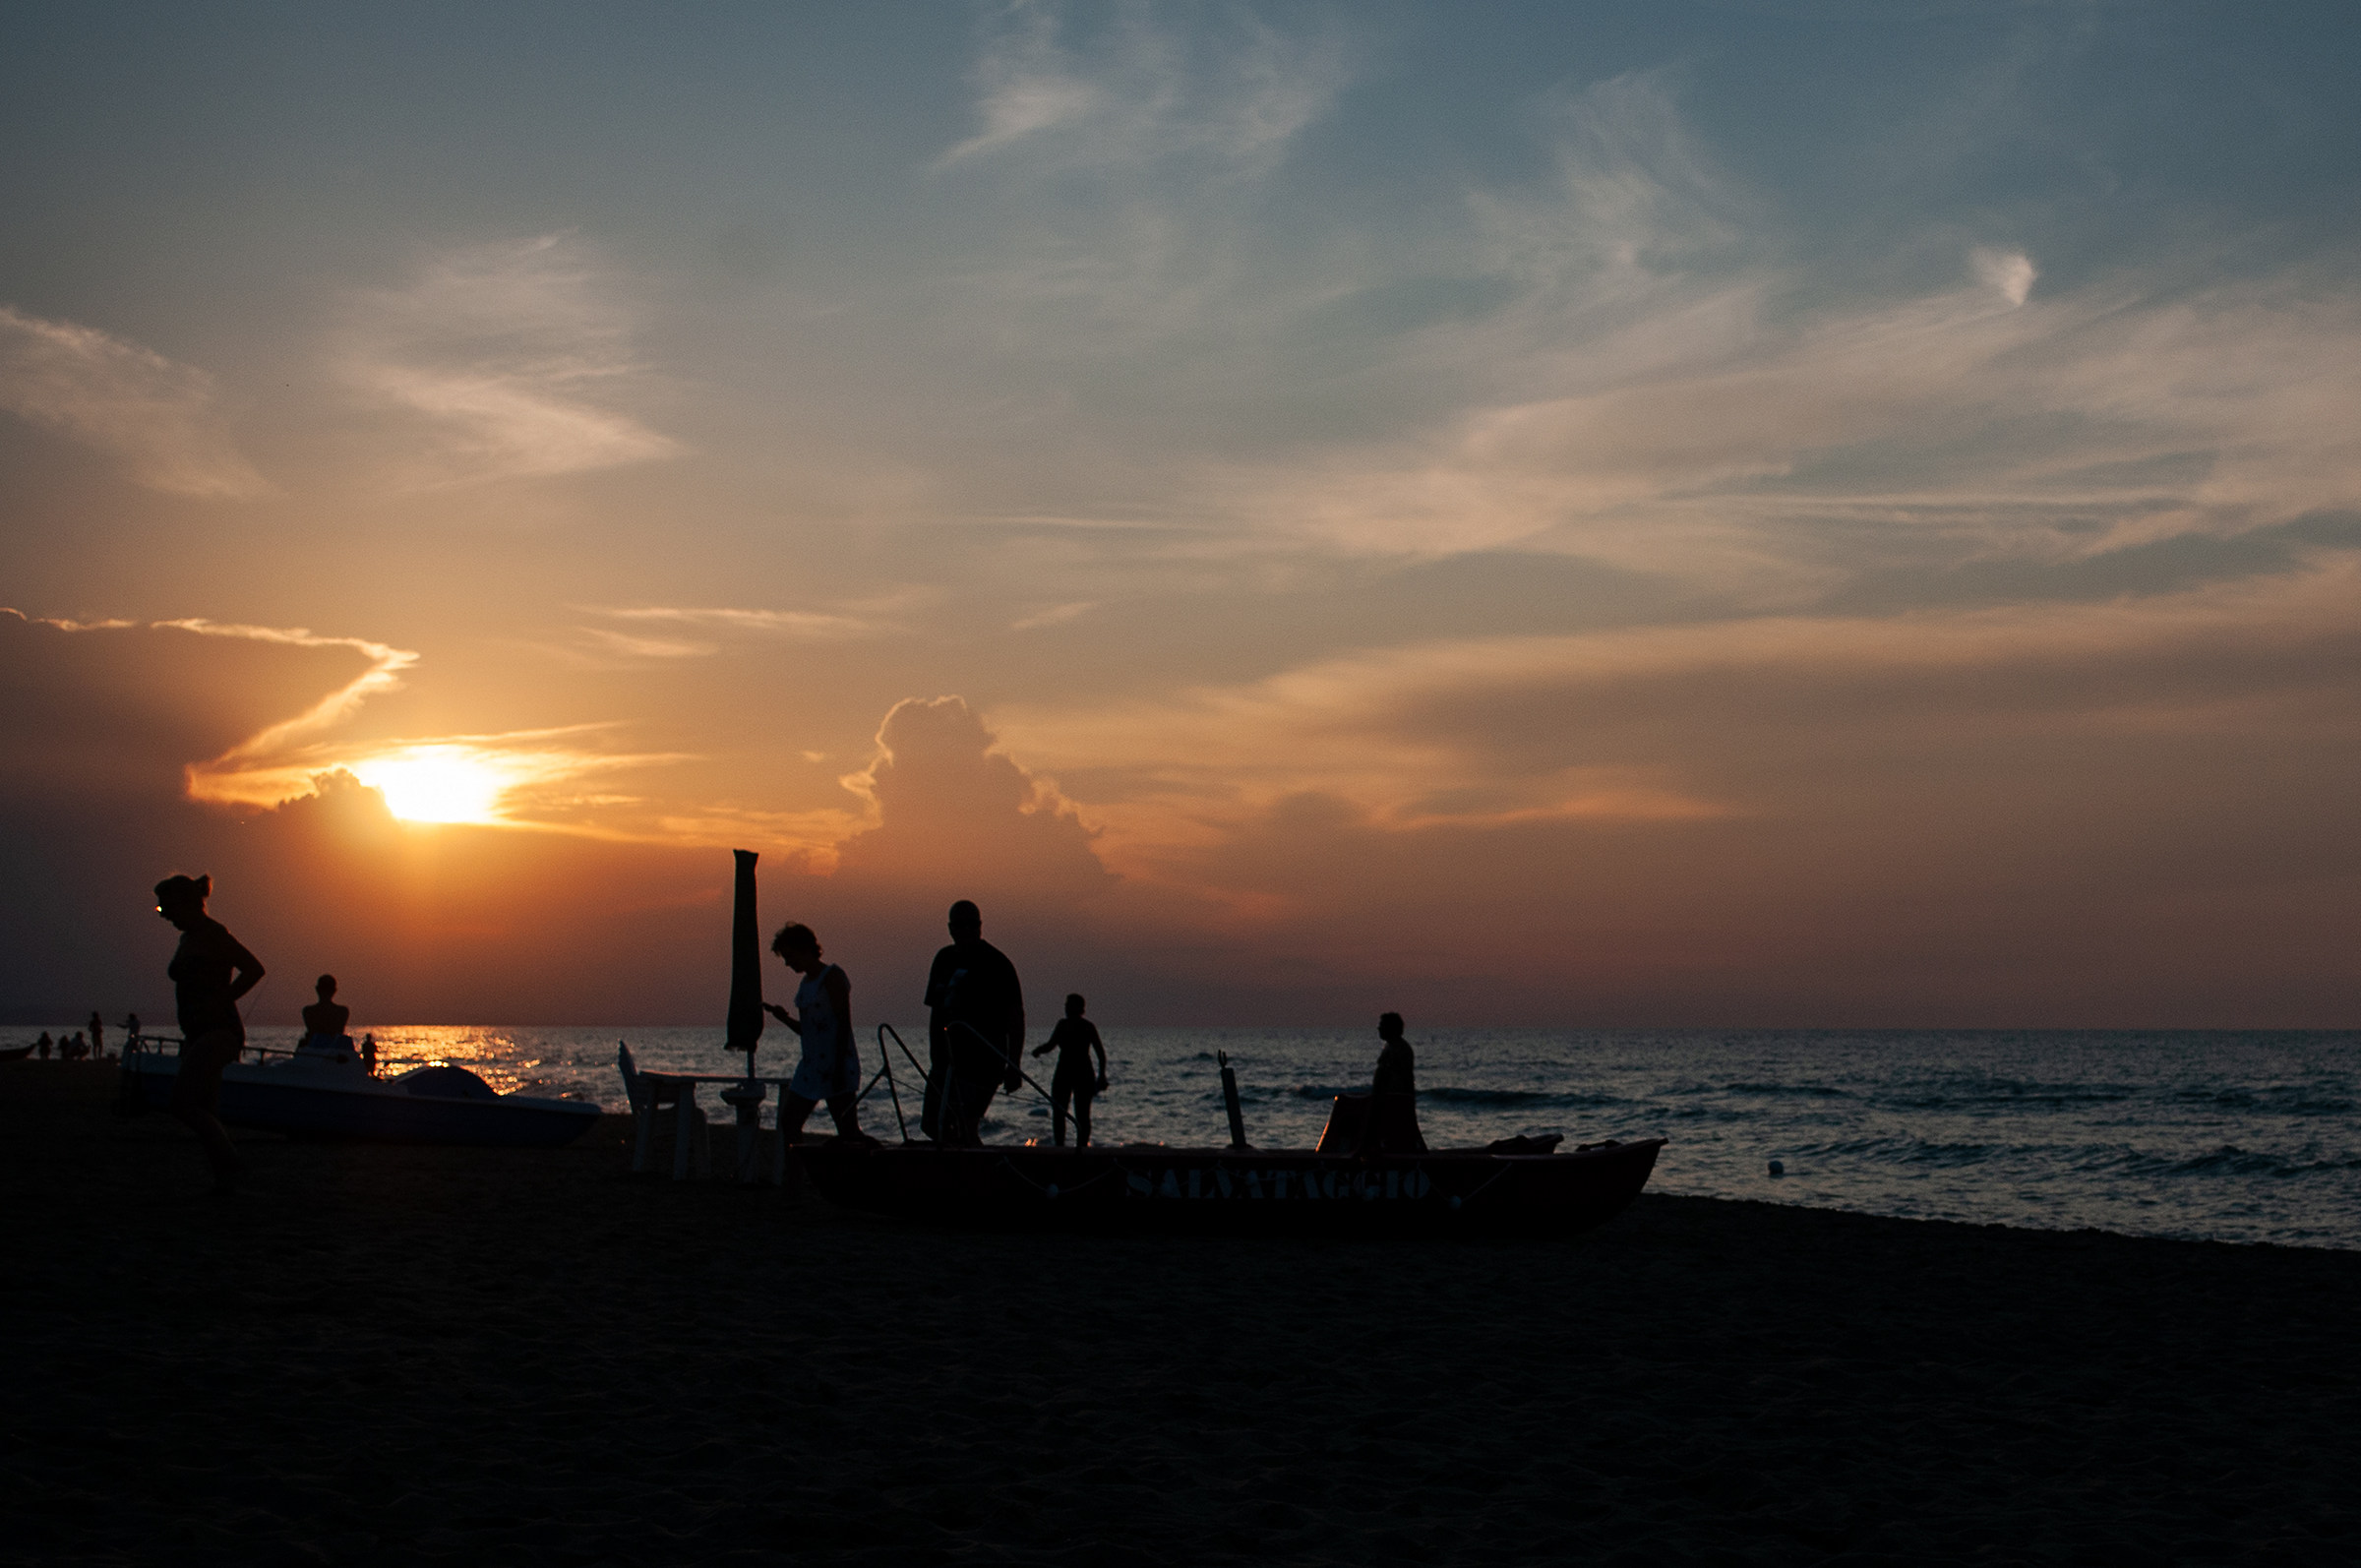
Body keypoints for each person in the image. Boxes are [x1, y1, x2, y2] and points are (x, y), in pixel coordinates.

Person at [153, 874, 264, 1190]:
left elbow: (254, 968)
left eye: (166, 908)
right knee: (205, 1109)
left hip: (219, 1030)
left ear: (184, 903)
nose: (165, 915)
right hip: (196, 1032)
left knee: (182, 1104)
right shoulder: (187, 937)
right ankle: (226, 1178)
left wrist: (222, 999)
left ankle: (233, 1166)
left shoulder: (214, 934)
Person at [760, 923, 876, 1145]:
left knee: (848, 1130)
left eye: (790, 956)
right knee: (790, 1121)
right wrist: (783, 1018)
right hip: (811, 1066)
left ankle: (874, 1164)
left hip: (835, 1063)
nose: (787, 963)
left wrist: (839, 1067)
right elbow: (809, 1032)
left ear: (805, 949)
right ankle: (795, 1175)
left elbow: (843, 1025)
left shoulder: (832, 977)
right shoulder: (805, 983)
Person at [922, 900, 1025, 1146]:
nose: (966, 930)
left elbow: (1016, 1018)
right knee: (931, 1124)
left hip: (983, 1060)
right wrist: (935, 1054)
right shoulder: (943, 959)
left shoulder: (997, 964)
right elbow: (935, 1012)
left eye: (972, 925)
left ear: (980, 926)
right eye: (960, 926)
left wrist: (1014, 1066)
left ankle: (972, 1168)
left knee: (967, 1123)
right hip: (945, 1061)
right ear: (950, 928)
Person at [1032, 994, 1108, 1148]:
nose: (1066, 1007)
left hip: (1080, 1073)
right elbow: (1050, 1045)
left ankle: (1080, 1147)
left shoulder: (1086, 1027)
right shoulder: (1064, 1024)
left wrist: (1101, 1076)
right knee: (1060, 1111)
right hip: (1067, 1072)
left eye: (1069, 1004)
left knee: (1080, 1114)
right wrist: (1039, 1050)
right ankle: (1061, 1147)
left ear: (1079, 1008)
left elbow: (1100, 1054)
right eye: (1066, 1004)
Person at [298, 975, 358, 1063]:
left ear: (317, 989)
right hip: (334, 1056)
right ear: (334, 991)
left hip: (316, 1056)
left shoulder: (308, 1011)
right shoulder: (342, 1012)